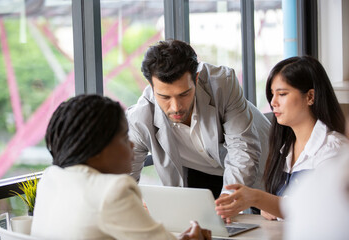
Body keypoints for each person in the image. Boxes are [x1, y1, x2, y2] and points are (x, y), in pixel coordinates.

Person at [31, 95, 211, 240]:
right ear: (98, 148)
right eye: (125, 137)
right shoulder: (112, 191)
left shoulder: (50, 178)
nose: (132, 145)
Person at [126, 39, 270, 200]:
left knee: (267, 220)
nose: (175, 107)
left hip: (260, 163)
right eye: (164, 97)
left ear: (196, 78)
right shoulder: (140, 118)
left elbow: (243, 150)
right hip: (201, 172)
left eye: (184, 94)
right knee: (204, 220)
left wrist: (228, 200)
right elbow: (124, 178)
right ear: (150, 85)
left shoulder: (223, 84)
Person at [215, 56, 349, 223]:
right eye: (272, 95)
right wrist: (269, 207)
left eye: (282, 94)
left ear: (310, 97)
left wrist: (260, 199)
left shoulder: (332, 148)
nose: (273, 102)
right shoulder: (285, 148)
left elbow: (322, 209)